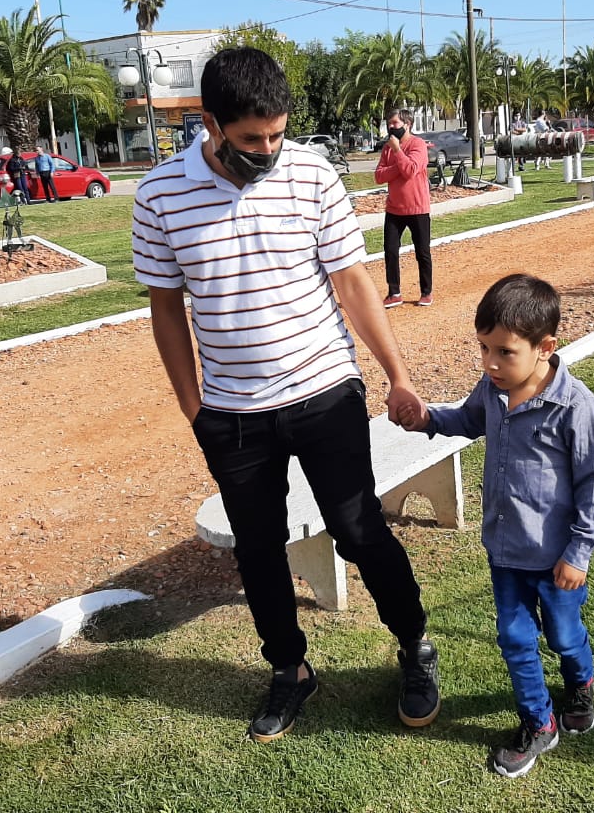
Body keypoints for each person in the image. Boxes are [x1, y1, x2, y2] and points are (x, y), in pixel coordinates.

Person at [131, 47, 441, 744]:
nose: (268, 152)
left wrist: (396, 374)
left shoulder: (312, 174)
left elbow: (352, 281)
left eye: (276, 135)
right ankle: (289, 669)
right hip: (233, 413)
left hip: (324, 388)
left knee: (358, 529)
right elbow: (165, 309)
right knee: (259, 549)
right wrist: (194, 409)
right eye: (251, 139)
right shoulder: (159, 196)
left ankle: (414, 644)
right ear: (211, 123)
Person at [397, 274, 594, 778]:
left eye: (504, 352)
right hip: (506, 553)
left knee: (563, 636)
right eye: (484, 348)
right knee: (515, 640)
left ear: (545, 348)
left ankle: (579, 684)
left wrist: (578, 553)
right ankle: (539, 723)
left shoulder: (576, 408)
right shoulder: (492, 392)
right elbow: (468, 420)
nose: (490, 363)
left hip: (557, 561)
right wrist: (427, 419)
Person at [376, 108, 433, 309]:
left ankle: (426, 292)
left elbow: (410, 171)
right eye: (389, 123)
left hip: (417, 208)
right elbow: (379, 176)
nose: (391, 127)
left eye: (395, 123)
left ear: (407, 124)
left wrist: (398, 151)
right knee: (390, 251)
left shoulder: (418, 145)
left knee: (422, 252)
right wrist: (398, 165)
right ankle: (394, 293)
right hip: (394, 209)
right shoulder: (387, 148)